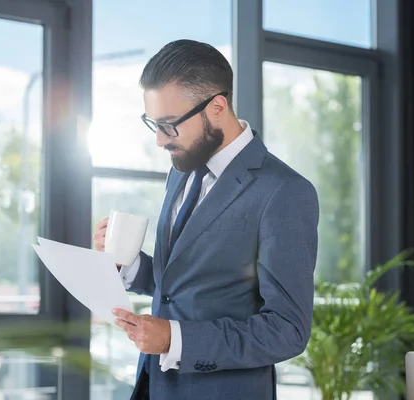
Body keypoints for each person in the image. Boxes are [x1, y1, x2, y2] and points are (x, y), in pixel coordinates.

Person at [93, 39, 319, 400]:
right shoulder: (181, 171)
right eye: (154, 124)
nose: (160, 141)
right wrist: (129, 265)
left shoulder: (284, 192)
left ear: (217, 107)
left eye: (170, 125)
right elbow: (183, 286)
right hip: (153, 387)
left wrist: (175, 339)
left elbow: (287, 329)